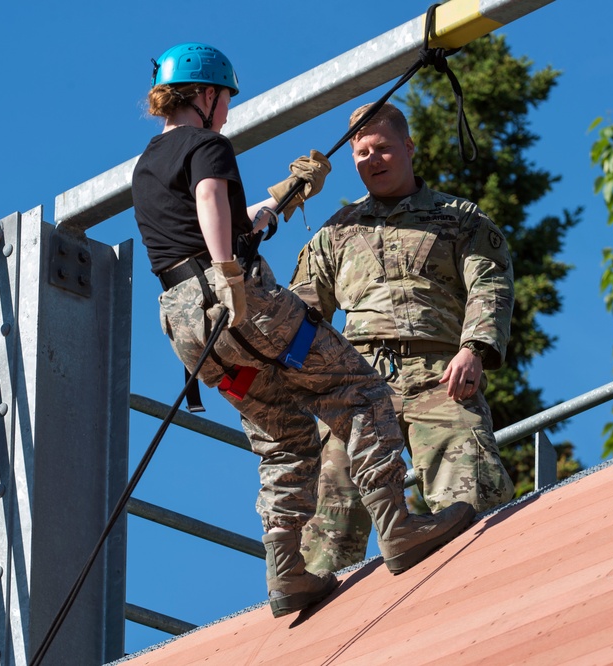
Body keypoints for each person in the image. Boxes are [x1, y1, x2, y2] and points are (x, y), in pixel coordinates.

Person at [131, 43, 476, 618]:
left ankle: (287, 574)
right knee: (362, 392)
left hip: (191, 331)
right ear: (207, 94)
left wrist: (286, 195)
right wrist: (230, 274)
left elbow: (225, 220)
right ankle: (399, 529)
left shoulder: (147, 164)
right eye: (225, 101)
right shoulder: (207, 145)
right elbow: (212, 198)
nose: (227, 114)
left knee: (281, 439)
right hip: (240, 305)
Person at [290, 102, 516, 574]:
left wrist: (474, 348)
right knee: (329, 534)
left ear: (408, 148)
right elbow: (301, 316)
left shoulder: (460, 219)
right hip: (358, 387)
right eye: (362, 152)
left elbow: (489, 283)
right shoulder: (335, 234)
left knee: (475, 503)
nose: (373, 159)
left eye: (384, 148)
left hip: (441, 378)